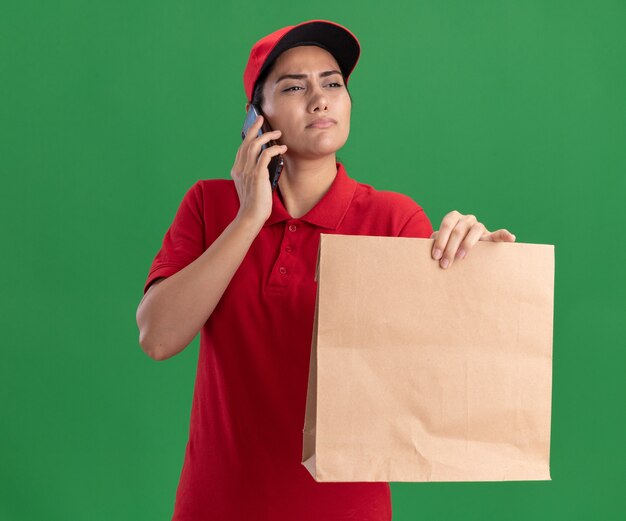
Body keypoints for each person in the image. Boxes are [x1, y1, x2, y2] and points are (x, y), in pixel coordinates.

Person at [136, 19, 516, 521]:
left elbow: (431, 366)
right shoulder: (209, 204)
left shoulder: (392, 218)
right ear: (256, 117)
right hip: (218, 505)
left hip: (346, 509)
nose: (320, 99)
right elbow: (158, 337)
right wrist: (250, 217)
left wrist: (475, 267)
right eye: (294, 86)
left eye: (333, 83)